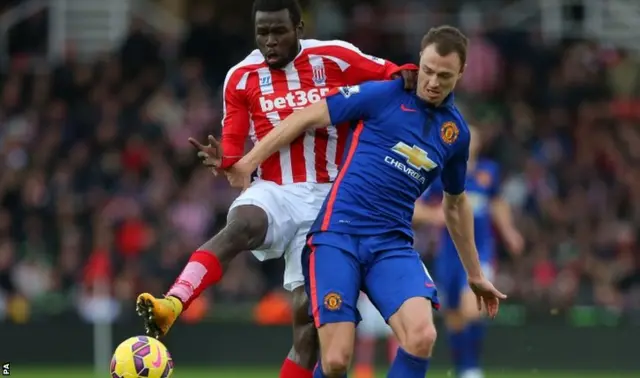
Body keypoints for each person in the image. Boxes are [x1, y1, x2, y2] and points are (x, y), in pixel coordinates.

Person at [135, 0, 417, 377]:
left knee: (307, 327)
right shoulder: (241, 77)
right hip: (275, 190)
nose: (269, 41)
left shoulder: (335, 58)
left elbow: (395, 74)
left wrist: (415, 75)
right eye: (262, 32)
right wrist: (224, 159)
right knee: (240, 225)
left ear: (299, 28)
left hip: (331, 200)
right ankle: (174, 302)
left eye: (278, 31)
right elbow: (234, 148)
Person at [224, 25, 506, 378]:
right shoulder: (382, 95)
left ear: (461, 74)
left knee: (422, 335)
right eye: (429, 70)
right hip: (337, 237)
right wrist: (250, 161)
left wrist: (475, 274)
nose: (432, 81)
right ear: (420, 59)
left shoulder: (456, 134)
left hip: (391, 245)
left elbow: (454, 204)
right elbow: (306, 116)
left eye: (445, 76)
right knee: (337, 360)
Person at [414, 125, 523, 378]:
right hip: (448, 254)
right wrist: (434, 215)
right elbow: (416, 208)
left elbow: (497, 202)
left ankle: (472, 368)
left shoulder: (489, 171)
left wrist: (509, 232)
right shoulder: (440, 171)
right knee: (453, 316)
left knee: (470, 308)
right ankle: (464, 367)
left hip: (481, 250)